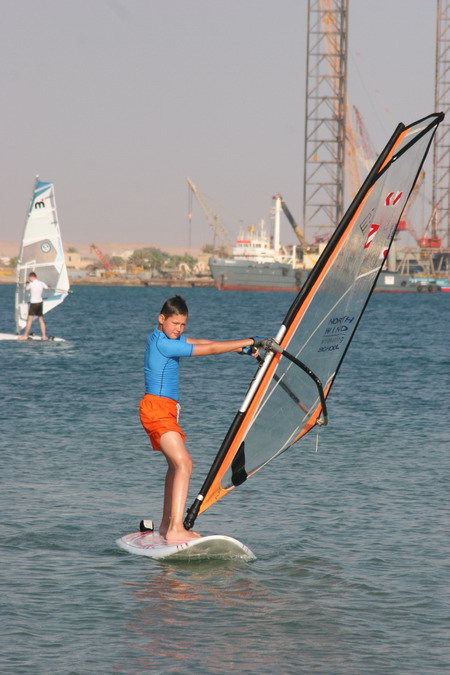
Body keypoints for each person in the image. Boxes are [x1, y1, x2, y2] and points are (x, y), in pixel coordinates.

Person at [139, 295, 258, 543]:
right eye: (174, 324)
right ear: (161, 319)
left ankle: (165, 526)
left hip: (165, 410)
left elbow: (206, 341)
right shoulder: (165, 344)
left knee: (175, 465)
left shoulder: (163, 337)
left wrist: (242, 349)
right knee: (185, 464)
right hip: (157, 409)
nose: (178, 329)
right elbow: (210, 350)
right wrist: (252, 340)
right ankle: (175, 529)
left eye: (183, 325)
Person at [18, 272, 51, 341]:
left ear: (31, 277)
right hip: (40, 303)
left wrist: (26, 284)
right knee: (41, 320)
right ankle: (44, 336)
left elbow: (26, 289)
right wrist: (48, 287)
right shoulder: (41, 283)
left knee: (29, 320)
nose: (29, 279)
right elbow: (48, 288)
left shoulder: (31, 284)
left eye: (29, 278)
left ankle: (25, 336)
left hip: (34, 304)